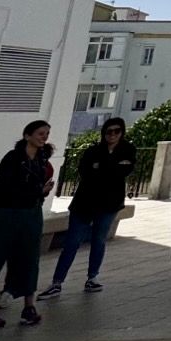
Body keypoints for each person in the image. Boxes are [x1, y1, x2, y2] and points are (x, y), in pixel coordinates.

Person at [43, 117, 135, 300]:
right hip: (84, 204)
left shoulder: (128, 150)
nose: (113, 135)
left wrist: (102, 168)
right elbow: (86, 172)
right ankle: (57, 282)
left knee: (99, 240)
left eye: (117, 131)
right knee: (72, 242)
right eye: (109, 131)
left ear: (122, 133)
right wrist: (111, 167)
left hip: (108, 205)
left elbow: (123, 171)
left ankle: (92, 277)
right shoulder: (93, 151)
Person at [0, 120, 53, 330]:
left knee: (30, 258)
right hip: (8, 213)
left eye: (46, 134)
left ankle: (29, 305)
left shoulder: (42, 159)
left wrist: (39, 194)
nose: (43, 137)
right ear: (27, 135)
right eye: (40, 133)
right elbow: (8, 187)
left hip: (31, 212)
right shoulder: (13, 158)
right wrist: (38, 191)